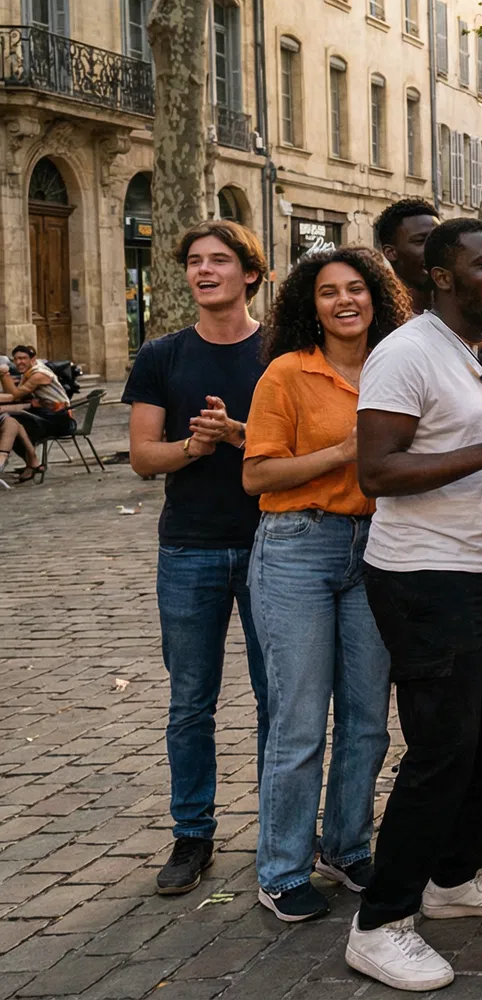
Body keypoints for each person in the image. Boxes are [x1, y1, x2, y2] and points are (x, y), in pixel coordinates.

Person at [345, 218, 482, 993]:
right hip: (424, 577)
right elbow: (377, 471)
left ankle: (455, 878)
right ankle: (382, 923)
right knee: (442, 750)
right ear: (441, 278)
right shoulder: (404, 354)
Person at [243, 247, 409, 922]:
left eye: (356, 289)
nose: (345, 301)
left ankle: (346, 846)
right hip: (297, 548)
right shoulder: (287, 373)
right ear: (309, 306)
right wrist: (343, 452)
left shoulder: (396, 368)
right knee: (301, 718)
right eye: (328, 292)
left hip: (376, 548)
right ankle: (281, 868)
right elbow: (257, 475)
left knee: (368, 719)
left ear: (376, 298)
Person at [125, 219, 271, 896]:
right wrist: (194, 447)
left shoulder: (281, 351)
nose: (203, 270)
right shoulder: (161, 355)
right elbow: (141, 458)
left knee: (282, 697)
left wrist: (239, 435)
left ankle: (284, 825)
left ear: (250, 272)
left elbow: (294, 442)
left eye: (219, 260)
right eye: (193, 261)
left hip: (275, 544)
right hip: (189, 547)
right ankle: (192, 833)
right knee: (190, 700)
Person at [0, 343, 71, 481]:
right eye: (17, 359)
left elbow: (15, 395)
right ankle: (32, 460)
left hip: (59, 418)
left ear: (31, 359)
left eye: (23, 358)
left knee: (12, 426)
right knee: (10, 422)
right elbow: (15, 397)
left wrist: (5, 374)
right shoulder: (27, 373)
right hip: (44, 414)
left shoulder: (38, 374)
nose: (20, 362)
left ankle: (31, 461)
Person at [373, 198, 440, 316]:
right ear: (391, 253)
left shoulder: (465, 317)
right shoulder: (378, 319)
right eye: (420, 241)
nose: (434, 248)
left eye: (438, 239)